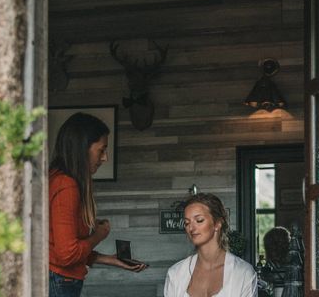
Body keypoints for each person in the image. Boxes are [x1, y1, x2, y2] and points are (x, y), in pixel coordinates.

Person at [49, 112, 146, 297]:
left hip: (60, 280)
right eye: (101, 150)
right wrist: (99, 235)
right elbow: (67, 254)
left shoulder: (57, 179)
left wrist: (110, 260)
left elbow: (61, 249)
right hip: (60, 282)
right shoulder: (66, 185)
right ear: (82, 148)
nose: (105, 158)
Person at [164, 193, 258, 297]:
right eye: (187, 223)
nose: (191, 228)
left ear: (217, 223)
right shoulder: (175, 274)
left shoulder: (243, 273)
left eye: (199, 220)